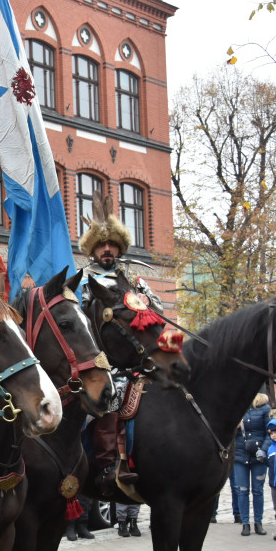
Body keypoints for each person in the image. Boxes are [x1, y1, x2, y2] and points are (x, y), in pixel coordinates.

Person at [77, 197, 162, 499]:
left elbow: (158, 315)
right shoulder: (84, 285)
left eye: (112, 245)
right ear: (92, 251)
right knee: (110, 398)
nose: (107, 250)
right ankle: (108, 466)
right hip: (103, 363)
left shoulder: (135, 283)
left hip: (142, 359)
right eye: (101, 246)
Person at [234, 393, 272, 536]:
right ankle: (245, 523)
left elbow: (270, 432)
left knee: (258, 490)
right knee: (242, 490)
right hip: (240, 454)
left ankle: (258, 522)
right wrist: (234, 427)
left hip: (258, 455)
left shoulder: (265, 408)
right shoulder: (238, 406)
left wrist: (263, 450)